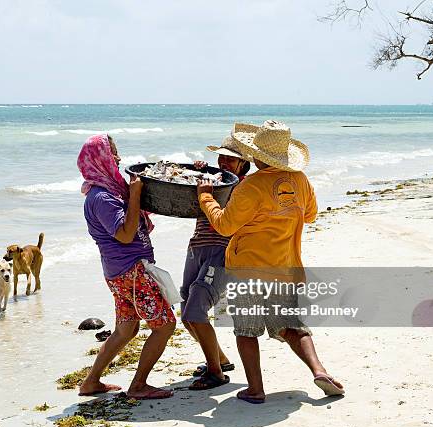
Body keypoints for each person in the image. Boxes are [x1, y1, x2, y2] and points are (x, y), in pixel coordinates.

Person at [197, 121, 344, 404]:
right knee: (291, 326)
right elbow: (310, 215)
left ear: (255, 155)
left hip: (248, 270)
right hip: (285, 268)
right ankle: (320, 370)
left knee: (246, 330)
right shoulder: (300, 180)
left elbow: (225, 226)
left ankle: (255, 389)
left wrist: (206, 198)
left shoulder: (251, 187)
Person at [77, 134, 176, 400]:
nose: (118, 158)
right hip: (131, 271)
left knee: (126, 328)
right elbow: (125, 233)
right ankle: (139, 386)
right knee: (165, 325)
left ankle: (90, 382)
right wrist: (133, 195)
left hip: (120, 271)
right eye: (112, 153)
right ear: (99, 160)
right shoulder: (102, 198)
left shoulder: (108, 192)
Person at [180, 136, 251, 390]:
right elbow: (184, 194)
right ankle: (220, 360)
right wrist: (194, 173)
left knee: (195, 311)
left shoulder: (243, 187)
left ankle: (215, 374)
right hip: (197, 245)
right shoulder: (211, 180)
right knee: (186, 310)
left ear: (243, 163)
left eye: (230, 159)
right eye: (221, 157)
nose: (224, 162)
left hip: (222, 251)